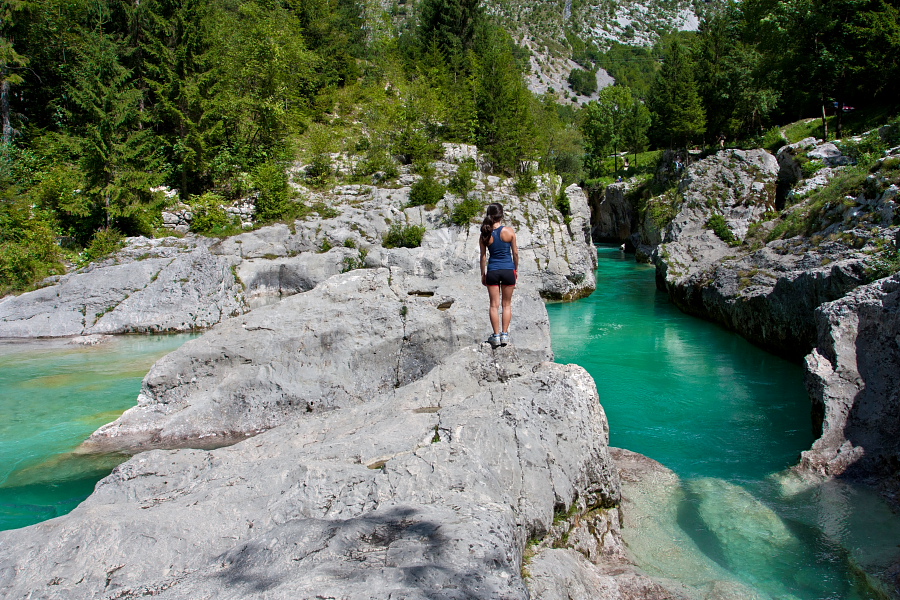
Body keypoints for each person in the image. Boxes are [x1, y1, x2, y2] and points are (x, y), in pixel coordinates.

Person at [479, 203, 518, 348]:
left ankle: (495, 336)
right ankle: (505, 335)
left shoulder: (485, 234)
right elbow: (515, 253)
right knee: (506, 304)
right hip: (508, 270)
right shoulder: (509, 232)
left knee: (493, 306)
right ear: (501, 215)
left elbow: (483, 257)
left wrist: (483, 273)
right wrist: (516, 269)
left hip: (493, 271)